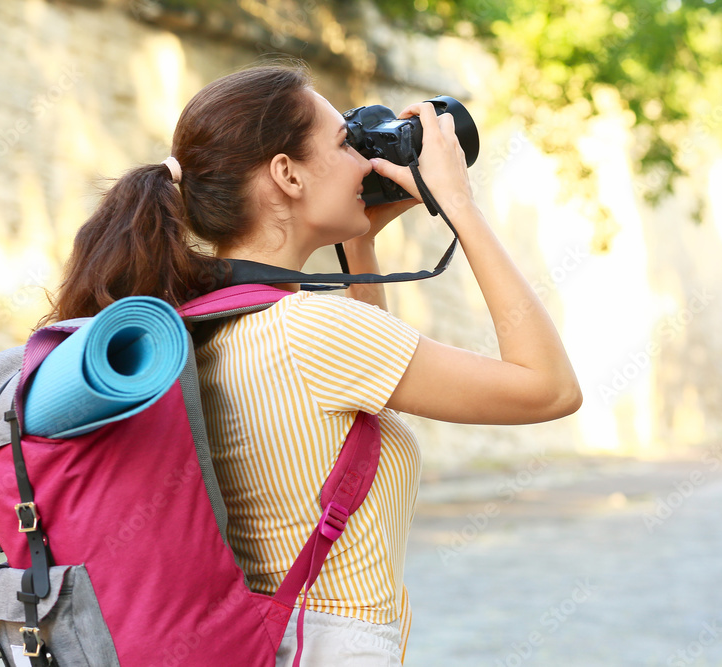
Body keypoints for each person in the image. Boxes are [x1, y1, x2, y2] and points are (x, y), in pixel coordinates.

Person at [42, 62, 581, 665]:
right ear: (287, 174)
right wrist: (460, 204)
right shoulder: (313, 333)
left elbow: (356, 414)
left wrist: (360, 245)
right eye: (346, 142)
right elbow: (550, 389)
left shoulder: (203, 322)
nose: (363, 161)